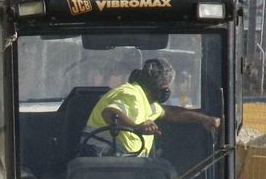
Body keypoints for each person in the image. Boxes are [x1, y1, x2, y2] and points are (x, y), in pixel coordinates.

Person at [81, 56, 221, 157]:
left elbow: (169, 112)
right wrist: (138, 126)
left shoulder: (147, 102)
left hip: (125, 166)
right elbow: (110, 112)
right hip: (103, 166)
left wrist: (204, 119)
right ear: (164, 89)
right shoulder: (130, 94)